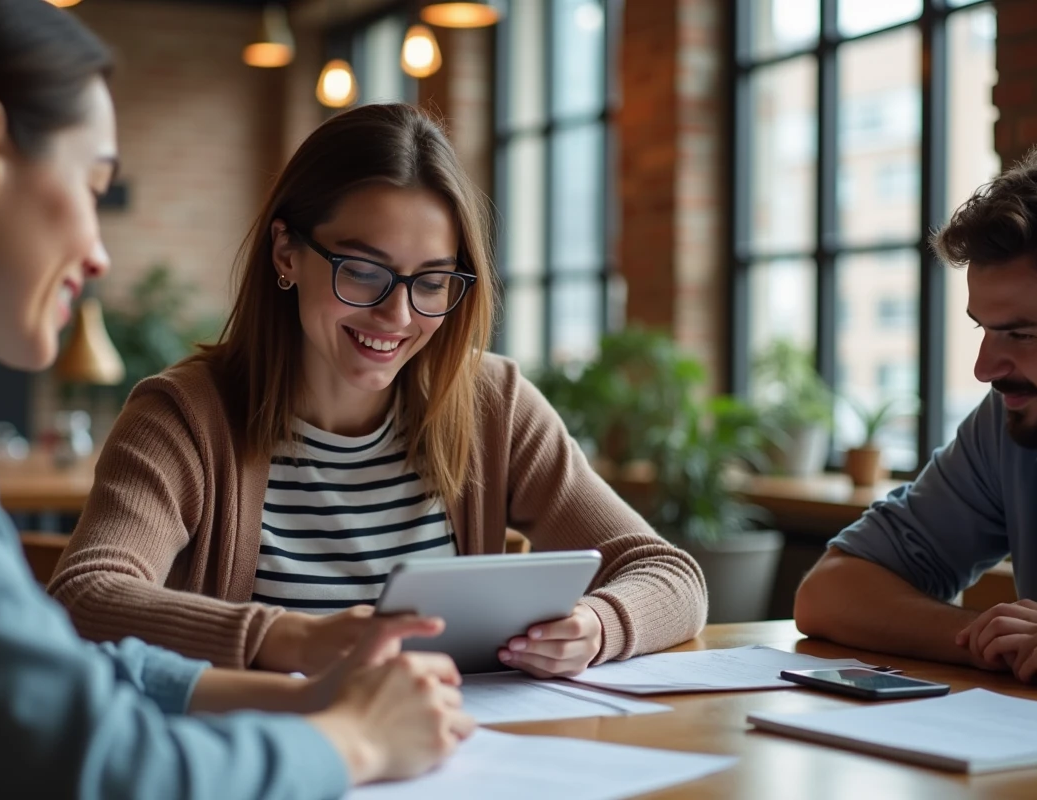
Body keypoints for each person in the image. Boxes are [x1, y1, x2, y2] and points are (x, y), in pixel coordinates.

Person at [0, 1, 474, 798]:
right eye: (94, 185)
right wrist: (352, 742)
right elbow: (106, 769)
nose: (100, 256)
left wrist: (302, 696)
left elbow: (50, 669)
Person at [47, 101, 708, 682]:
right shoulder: (186, 417)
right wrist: (292, 638)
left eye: (430, 281)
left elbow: (672, 575)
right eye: (363, 272)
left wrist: (596, 626)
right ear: (286, 253)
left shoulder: (491, 403)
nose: (397, 317)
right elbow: (85, 596)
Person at [795, 146, 1037, 685]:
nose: (984, 369)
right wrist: (990, 640)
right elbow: (830, 592)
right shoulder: (1008, 425)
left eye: (1020, 334)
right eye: (984, 328)